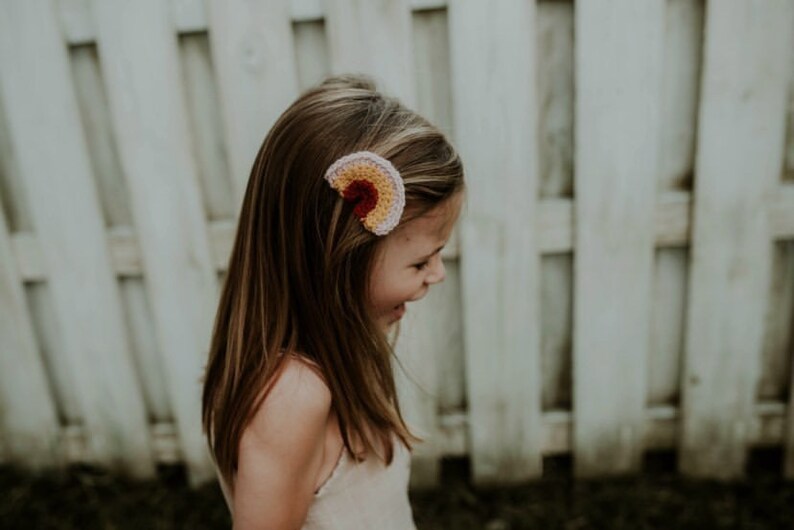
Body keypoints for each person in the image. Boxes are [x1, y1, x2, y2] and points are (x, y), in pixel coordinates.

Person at [201, 73, 465, 529]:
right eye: (421, 262)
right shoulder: (291, 398)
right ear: (339, 261)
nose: (436, 275)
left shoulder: (338, 350)